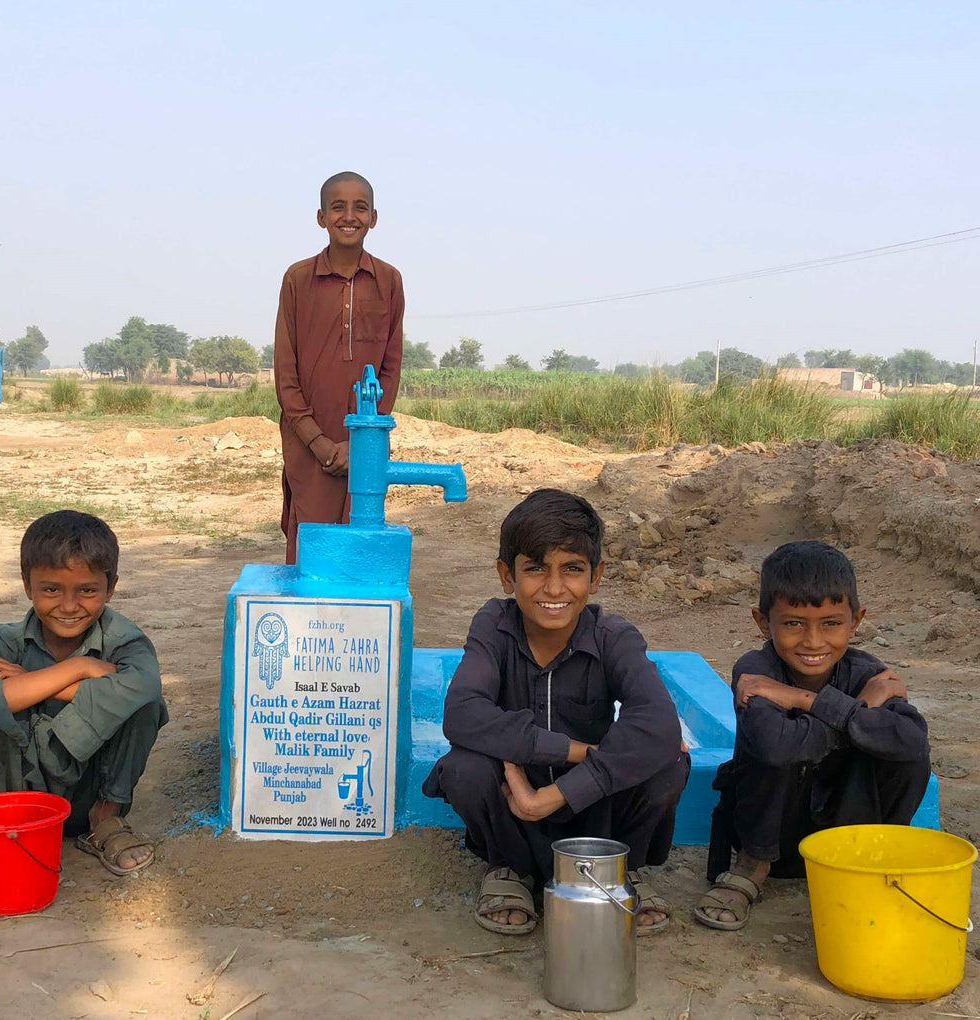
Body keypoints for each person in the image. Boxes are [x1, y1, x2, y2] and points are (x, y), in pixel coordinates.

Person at [423, 489, 690, 935]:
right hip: (513, 806)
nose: (553, 588)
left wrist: (555, 795)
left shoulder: (613, 636)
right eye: (535, 569)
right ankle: (511, 870)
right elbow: (463, 714)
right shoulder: (493, 625)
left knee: (668, 762)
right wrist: (581, 753)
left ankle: (621, 867)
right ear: (507, 576)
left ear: (596, 576)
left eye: (572, 569)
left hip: (598, 815)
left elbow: (659, 723)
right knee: (463, 767)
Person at [694, 540, 931, 931]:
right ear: (761, 622)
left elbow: (910, 741)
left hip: (848, 833)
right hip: (774, 837)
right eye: (793, 624)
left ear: (856, 620)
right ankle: (752, 869)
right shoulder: (755, 672)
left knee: (904, 752)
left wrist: (805, 699)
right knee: (779, 749)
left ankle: (872, 859)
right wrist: (858, 712)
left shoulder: (869, 673)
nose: (814, 641)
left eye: (832, 624)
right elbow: (776, 748)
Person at [0, 510, 168, 876]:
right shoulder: (3, 640)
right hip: (22, 794)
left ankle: (105, 822)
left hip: (90, 791)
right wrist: (76, 669)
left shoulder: (124, 640)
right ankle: (9, 828)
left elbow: (145, 688)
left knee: (145, 705)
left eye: (87, 590)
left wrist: (34, 682)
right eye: (51, 589)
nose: (70, 606)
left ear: (112, 586)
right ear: (28, 586)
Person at [274, 171, 404, 563]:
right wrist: (319, 442)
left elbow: (390, 368)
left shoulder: (389, 281)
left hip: (364, 443)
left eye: (360, 207)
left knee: (358, 550)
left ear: (374, 218)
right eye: (338, 207)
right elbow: (285, 373)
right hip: (308, 446)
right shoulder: (298, 279)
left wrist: (360, 441)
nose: (349, 216)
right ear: (321, 217)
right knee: (310, 554)